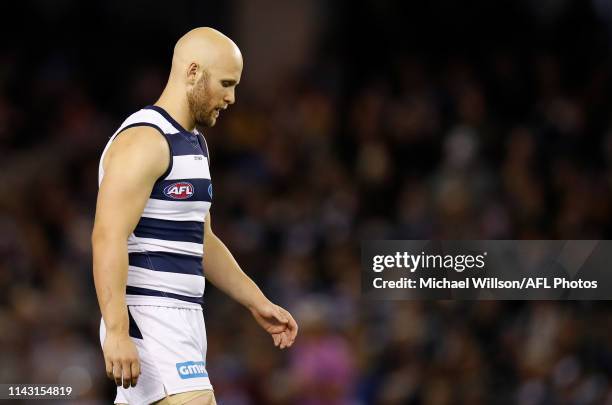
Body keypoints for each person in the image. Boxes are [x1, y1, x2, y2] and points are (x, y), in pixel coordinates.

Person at [92, 27, 298, 405]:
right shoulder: (144, 140)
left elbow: (201, 239)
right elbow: (107, 235)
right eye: (225, 83)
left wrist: (257, 301)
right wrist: (118, 330)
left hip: (185, 316)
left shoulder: (194, 144)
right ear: (192, 72)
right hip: (150, 316)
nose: (232, 97)